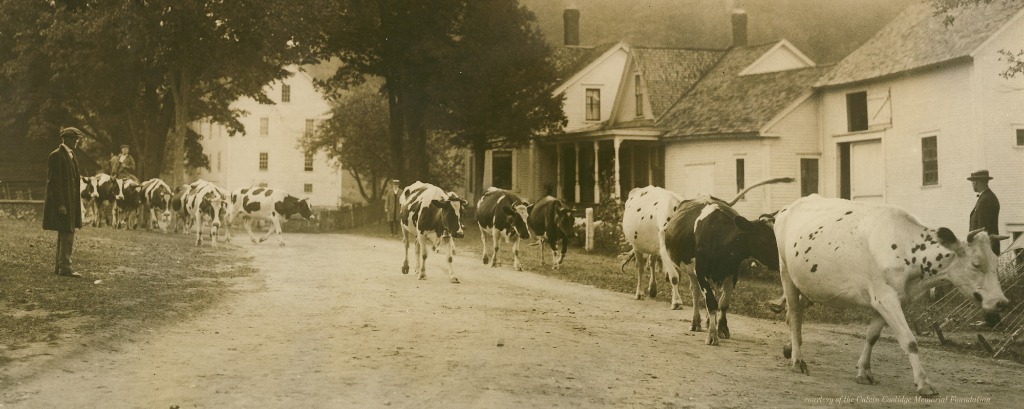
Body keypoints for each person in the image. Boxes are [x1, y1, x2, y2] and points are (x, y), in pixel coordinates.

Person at [43, 127, 84, 277]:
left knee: (66, 231)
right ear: (66, 139)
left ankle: (60, 267)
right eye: (74, 139)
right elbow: (54, 182)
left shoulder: (71, 155)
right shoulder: (57, 156)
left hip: (71, 202)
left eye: (77, 139)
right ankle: (65, 267)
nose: (76, 142)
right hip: (64, 202)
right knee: (67, 232)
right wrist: (60, 203)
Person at [968, 169, 1001, 254]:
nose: (972, 185)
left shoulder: (986, 200)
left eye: (972, 182)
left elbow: (982, 230)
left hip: (984, 251)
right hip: (985, 249)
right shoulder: (987, 197)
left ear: (976, 182)